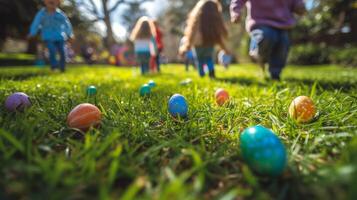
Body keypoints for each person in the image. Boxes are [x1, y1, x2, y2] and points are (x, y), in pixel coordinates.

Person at [230, 0, 306, 80]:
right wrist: (235, 11)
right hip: (260, 21)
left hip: (283, 24)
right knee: (267, 35)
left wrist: (299, 6)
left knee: (282, 47)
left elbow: (296, 2)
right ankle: (257, 52)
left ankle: (275, 74)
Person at [180, 0, 229, 78]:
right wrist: (224, 48)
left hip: (198, 45)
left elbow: (191, 34)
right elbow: (219, 37)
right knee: (209, 58)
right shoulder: (214, 22)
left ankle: (201, 74)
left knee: (199, 60)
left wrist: (187, 46)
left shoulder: (196, 21)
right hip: (209, 43)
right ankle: (211, 72)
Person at [28, 0, 74, 72]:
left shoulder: (61, 14)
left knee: (62, 51)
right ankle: (54, 67)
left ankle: (62, 67)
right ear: (45, 1)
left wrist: (70, 34)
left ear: (58, 2)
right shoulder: (41, 14)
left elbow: (67, 24)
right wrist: (32, 33)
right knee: (52, 50)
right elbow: (36, 23)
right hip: (48, 36)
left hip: (60, 36)